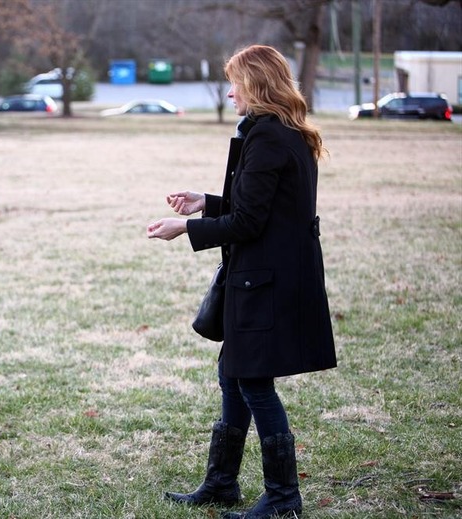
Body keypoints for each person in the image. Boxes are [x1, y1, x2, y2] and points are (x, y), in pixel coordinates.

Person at [147, 45, 336, 518]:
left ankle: (283, 499)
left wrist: (185, 229)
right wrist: (204, 202)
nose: (229, 92)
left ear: (257, 84)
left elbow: (249, 223)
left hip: (267, 281)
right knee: (233, 373)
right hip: (263, 277)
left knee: (252, 381)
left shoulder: (270, 137)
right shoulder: (278, 133)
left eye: (235, 82)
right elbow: (255, 207)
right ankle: (221, 483)